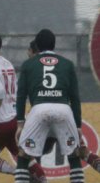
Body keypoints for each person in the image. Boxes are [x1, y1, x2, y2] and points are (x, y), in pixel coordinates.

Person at [0, 32, 57, 183]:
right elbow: (6, 89)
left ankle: (18, 174)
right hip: (16, 118)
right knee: (24, 156)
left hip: (2, 121)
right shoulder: (7, 64)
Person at [13, 29, 86, 183]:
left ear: (36, 46)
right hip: (63, 109)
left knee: (23, 155)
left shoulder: (29, 64)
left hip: (39, 110)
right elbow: (75, 98)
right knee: (74, 155)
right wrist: (78, 126)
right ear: (54, 45)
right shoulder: (67, 64)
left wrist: (20, 123)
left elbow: (20, 95)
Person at [29, 39, 100, 172]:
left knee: (31, 150)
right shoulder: (62, 66)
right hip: (63, 117)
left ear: (35, 52)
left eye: (29, 52)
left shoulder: (33, 70)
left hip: (45, 118)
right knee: (82, 151)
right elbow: (72, 95)